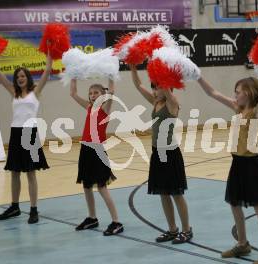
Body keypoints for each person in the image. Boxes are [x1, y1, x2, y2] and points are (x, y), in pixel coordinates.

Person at [197, 75, 258, 264]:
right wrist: (199, 77)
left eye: (238, 91)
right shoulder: (237, 108)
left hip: (252, 165)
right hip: (237, 164)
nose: (235, 95)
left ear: (248, 93)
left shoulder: (256, 112)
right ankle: (242, 244)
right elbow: (213, 93)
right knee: (235, 204)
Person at [130, 65, 193, 244]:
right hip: (157, 154)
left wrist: (159, 70)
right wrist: (133, 67)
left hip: (171, 154)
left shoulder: (173, 104)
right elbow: (137, 84)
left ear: (167, 87)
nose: (155, 90)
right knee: (163, 194)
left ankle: (187, 230)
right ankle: (172, 229)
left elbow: (165, 88)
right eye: (154, 87)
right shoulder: (155, 102)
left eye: (157, 87)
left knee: (176, 194)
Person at [0, 54, 53, 224]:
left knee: (31, 174)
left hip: (30, 134)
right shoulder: (13, 92)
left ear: (27, 77)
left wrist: (49, 53)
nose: (20, 78)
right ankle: (15, 207)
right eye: (17, 76)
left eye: (23, 75)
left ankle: (33, 210)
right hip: (16, 134)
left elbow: (47, 70)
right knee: (14, 172)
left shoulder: (36, 92)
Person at [70, 79, 123, 236]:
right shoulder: (89, 108)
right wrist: (73, 75)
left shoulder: (105, 108)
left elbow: (112, 91)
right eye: (91, 93)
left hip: (98, 151)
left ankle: (116, 222)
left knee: (101, 187)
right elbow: (72, 93)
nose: (93, 95)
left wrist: (111, 70)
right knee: (86, 186)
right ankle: (92, 218)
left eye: (96, 93)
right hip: (85, 150)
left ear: (103, 95)